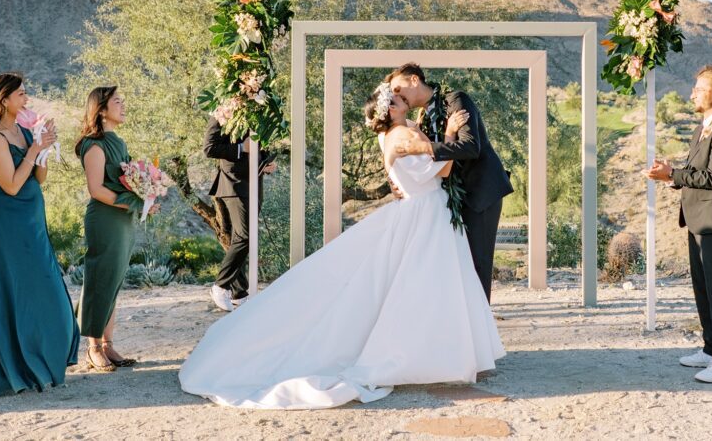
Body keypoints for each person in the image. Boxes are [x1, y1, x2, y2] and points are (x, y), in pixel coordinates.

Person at [179, 83, 504, 409]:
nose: (404, 99)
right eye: (399, 98)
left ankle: (437, 353)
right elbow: (444, 169)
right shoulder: (402, 137)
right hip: (425, 214)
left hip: (425, 213)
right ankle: (432, 355)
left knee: (425, 287)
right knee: (420, 287)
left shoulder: (402, 132)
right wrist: (449, 134)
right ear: (391, 110)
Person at [0, 72, 79, 397]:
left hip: (32, 218)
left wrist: (44, 146)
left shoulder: (23, 131)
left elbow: (38, 178)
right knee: (16, 288)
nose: (26, 100)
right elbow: (12, 185)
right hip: (6, 221)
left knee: (47, 287)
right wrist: (35, 149)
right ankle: (15, 368)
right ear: (3, 99)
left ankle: (42, 362)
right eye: (21, 95)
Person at [646, 66, 712, 383]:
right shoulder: (701, 129)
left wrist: (673, 174)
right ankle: (711, 347)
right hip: (697, 219)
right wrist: (673, 178)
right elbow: (696, 172)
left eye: (698, 88)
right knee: (703, 288)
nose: (692, 93)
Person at [387, 63, 513, 302]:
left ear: (414, 80)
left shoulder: (455, 100)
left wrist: (423, 146)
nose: (396, 94)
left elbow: (470, 147)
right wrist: (397, 183)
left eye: (398, 88)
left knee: (478, 264)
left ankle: (481, 328)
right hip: (451, 199)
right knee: (459, 265)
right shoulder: (421, 118)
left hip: (481, 193)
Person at [75, 86, 143, 371]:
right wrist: (128, 203)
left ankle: (108, 344)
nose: (123, 105)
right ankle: (92, 348)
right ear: (101, 109)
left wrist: (144, 198)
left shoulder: (120, 142)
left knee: (114, 280)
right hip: (105, 218)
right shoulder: (94, 145)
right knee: (100, 279)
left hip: (122, 219)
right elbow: (96, 189)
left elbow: (127, 182)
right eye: (117, 102)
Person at [203, 115, 276, 311]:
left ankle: (239, 293)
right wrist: (240, 149)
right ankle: (220, 285)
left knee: (240, 237)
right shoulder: (222, 112)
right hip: (233, 184)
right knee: (246, 236)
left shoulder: (256, 112)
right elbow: (209, 148)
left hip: (255, 183)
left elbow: (257, 145)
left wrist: (265, 161)